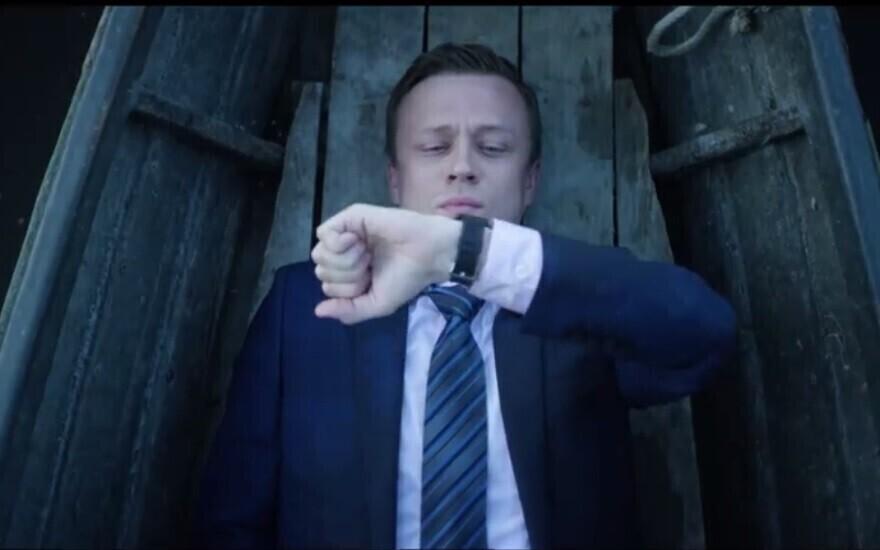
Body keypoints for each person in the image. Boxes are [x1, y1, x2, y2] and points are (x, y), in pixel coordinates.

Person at [193, 42, 737, 549]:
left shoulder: (579, 301)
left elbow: (705, 333)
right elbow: (230, 520)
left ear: (530, 181)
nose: (462, 167)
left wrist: (467, 251)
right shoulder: (304, 307)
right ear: (395, 180)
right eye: (435, 147)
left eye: (493, 148)